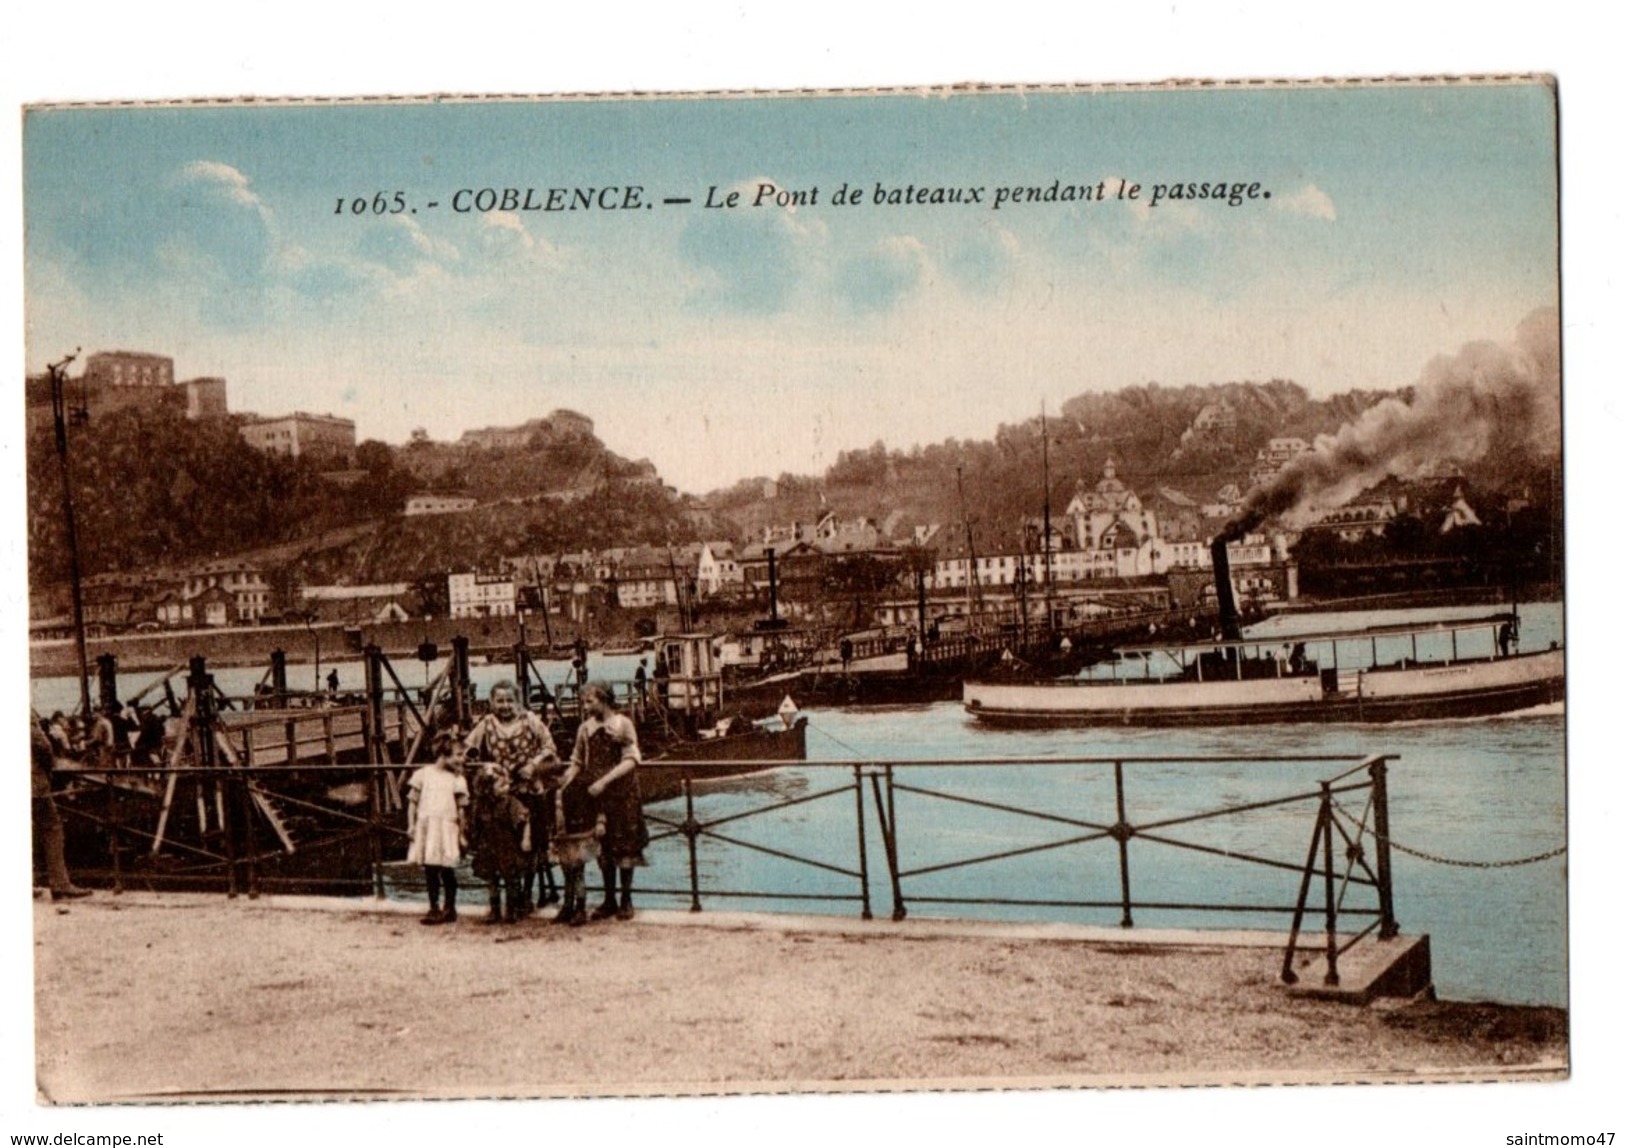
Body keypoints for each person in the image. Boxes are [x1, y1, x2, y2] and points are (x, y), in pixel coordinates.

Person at [465, 681, 561, 913]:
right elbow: (468, 749)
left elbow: (549, 747)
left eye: (510, 700)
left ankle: (527, 895)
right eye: (500, 701)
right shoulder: (487, 724)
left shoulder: (530, 720)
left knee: (531, 844)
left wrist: (533, 764)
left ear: (518, 701)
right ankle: (508, 897)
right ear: (491, 702)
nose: (505, 706)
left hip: (529, 789)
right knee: (504, 844)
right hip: (501, 793)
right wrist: (485, 764)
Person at [559, 680, 648, 921]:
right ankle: (609, 899)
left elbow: (631, 758)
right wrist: (566, 782)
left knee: (625, 845)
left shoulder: (623, 724)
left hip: (622, 791)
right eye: (584, 702)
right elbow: (578, 760)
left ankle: (626, 899)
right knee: (603, 846)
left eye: (590, 701)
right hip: (596, 795)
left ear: (605, 699)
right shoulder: (585, 728)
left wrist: (605, 781)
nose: (585, 706)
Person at [406, 729, 469, 925]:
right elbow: (413, 803)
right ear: (444, 753)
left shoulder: (457, 779)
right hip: (427, 825)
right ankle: (433, 906)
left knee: (447, 868)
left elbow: (461, 810)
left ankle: (450, 907)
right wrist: (411, 825)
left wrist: (462, 833)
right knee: (430, 869)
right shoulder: (423, 774)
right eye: (458, 755)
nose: (462, 759)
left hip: (447, 827)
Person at [33, 720, 91, 901]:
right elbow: (44, 748)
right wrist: (48, 771)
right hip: (34, 787)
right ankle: (60, 883)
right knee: (52, 828)